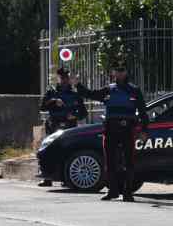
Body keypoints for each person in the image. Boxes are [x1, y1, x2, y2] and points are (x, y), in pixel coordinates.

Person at [76, 64, 148, 202]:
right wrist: (78, 84)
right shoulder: (109, 89)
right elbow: (91, 94)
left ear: (126, 72)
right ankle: (113, 191)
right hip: (111, 130)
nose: (120, 74)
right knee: (110, 161)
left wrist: (144, 130)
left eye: (122, 70)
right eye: (117, 71)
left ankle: (127, 192)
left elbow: (143, 112)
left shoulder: (134, 90)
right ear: (113, 72)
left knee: (129, 161)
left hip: (127, 130)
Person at [38, 67, 87, 187]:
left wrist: (74, 116)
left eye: (66, 77)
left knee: (68, 151)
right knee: (49, 150)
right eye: (62, 78)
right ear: (58, 79)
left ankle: (66, 179)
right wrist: (53, 101)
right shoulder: (51, 92)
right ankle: (47, 177)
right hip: (53, 125)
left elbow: (83, 113)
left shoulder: (75, 95)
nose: (65, 80)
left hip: (69, 126)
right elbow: (42, 107)